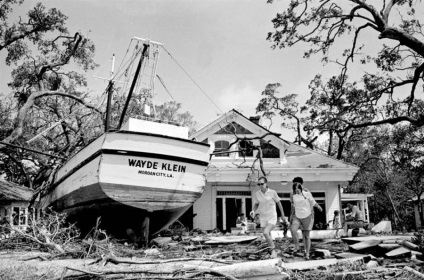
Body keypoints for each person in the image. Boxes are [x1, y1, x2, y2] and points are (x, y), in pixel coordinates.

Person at [250, 176, 286, 257]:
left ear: (266, 183)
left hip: (272, 216)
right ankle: (271, 250)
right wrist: (253, 211)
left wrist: (283, 215)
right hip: (262, 216)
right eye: (258, 184)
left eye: (262, 184)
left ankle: (273, 250)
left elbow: (279, 203)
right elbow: (256, 203)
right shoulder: (257, 193)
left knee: (265, 232)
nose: (260, 186)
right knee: (268, 235)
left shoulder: (272, 192)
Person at [289, 177, 322, 260]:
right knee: (293, 229)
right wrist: (291, 216)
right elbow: (293, 206)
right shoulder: (292, 194)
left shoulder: (306, 192)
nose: (295, 186)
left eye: (297, 184)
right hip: (297, 215)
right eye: (294, 184)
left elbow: (312, 201)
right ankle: (297, 247)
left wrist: (317, 207)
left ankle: (306, 252)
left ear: (301, 184)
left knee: (306, 235)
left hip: (307, 215)